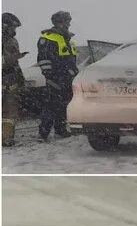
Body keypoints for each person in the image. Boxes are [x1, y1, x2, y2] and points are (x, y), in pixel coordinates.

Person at [36, 11, 79, 140]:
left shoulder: (68, 39)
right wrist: (50, 77)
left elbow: (71, 60)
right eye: (66, 21)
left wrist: (72, 73)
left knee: (63, 105)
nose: (69, 24)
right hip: (55, 79)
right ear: (59, 23)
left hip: (67, 78)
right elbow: (43, 59)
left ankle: (60, 130)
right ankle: (43, 134)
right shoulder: (48, 38)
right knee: (51, 106)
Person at [2, 13, 27, 147]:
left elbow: (15, 64)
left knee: (10, 112)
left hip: (10, 80)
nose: (15, 31)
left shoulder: (12, 41)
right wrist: (9, 59)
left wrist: (21, 80)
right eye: (13, 27)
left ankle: (6, 139)